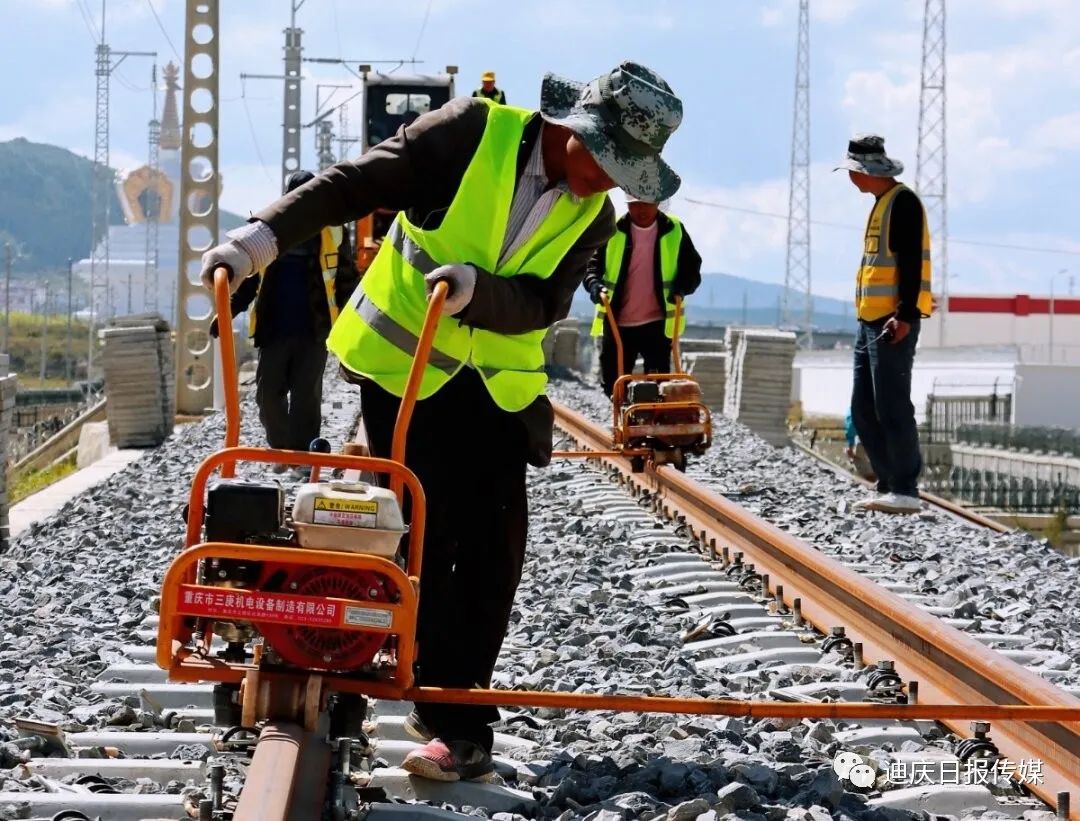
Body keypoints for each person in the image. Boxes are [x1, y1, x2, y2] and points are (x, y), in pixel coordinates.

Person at [198, 61, 683, 782]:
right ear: (576, 133)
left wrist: (476, 291)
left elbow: (544, 303)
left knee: (492, 541)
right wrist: (258, 242)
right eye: (610, 164)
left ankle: (458, 722)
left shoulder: (597, 216)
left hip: (497, 387)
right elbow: (354, 183)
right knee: (413, 526)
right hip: (402, 363)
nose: (611, 183)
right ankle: (370, 670)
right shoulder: (470, 134)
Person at [209, 170, 358, 477]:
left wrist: (356, 322)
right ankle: (281, 450)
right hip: (273, 328)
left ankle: (302, 458)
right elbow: (248, 281)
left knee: (306, 396)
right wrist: (226, 312)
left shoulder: (334, 232)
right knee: (267, 395)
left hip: (315, 329)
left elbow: (345, 280)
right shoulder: (266, 234)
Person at [836, 134, 932, 514]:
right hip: (870, 321)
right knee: (863, 408)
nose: (849, 178)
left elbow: (909, 262)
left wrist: (905, 315)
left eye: (852, 171)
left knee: (892, 405)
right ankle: (888, 484)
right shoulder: (882, 204)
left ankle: (905, 487)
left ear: (866, 171)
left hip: (891, 322)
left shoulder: (902, 202)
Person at [583, 197, 701, 396]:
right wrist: (594, 284)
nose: (641, 209)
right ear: (627, 204)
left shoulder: (674, 229)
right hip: (618, 322)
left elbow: (692, 268)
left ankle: (650, 414)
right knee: (613, 384)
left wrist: (681, 287)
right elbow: (591, 265)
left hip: (657, 323)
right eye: (635, 204)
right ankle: (621, 410)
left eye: (646, 203)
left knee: (658, 385)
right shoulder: (613, 228)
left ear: (657, 203)